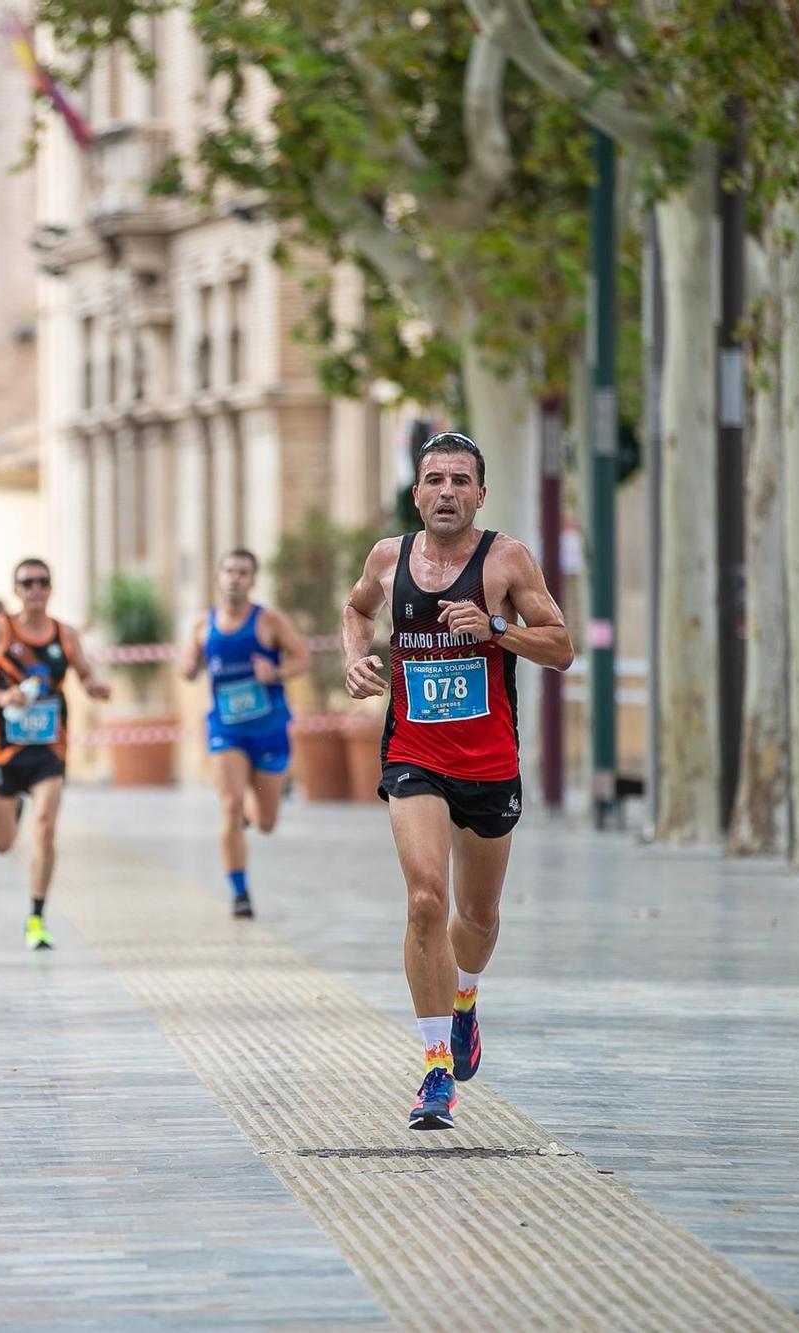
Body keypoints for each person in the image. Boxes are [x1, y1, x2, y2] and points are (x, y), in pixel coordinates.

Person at [341, 432, 572, 1130]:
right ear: (415, 494)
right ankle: (435, 1066)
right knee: (424, 899)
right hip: (414, 752)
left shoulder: (507, 559)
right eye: (434, 479)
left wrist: (496, 627)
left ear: (479, 493)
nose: (446, 491)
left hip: (489, 761)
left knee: (477, 917)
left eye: (460, 480)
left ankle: (465, 996)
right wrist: (354, 660)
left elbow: (560, 646)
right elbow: (355, 611)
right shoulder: (389, 559)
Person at [0, 558, 111, 950]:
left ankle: (37, 918)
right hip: (3, 750)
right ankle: (14, 805)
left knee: (46, 825)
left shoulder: (65, 635)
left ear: (51, 589)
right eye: (27, 583)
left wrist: (94, 687)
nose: (35, 589)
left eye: (42, 582)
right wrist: (0, 696)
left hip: (48, 747)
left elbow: (84, 672)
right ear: (17, 590)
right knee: (2, 844)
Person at [180, 549, 310, 918]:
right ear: (218, 577)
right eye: (229, 571)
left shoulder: (268, 621)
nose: (235, 578)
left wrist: (277, 672)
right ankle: (239, 893)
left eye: (243, 572)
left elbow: (302, 658)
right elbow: (186, 665)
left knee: (266, 822)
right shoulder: (202, 625)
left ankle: (254, 812)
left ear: (252, 580)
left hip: (269, 730)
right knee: (230, 806)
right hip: (226, 730)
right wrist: (189, 668)